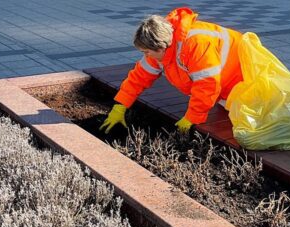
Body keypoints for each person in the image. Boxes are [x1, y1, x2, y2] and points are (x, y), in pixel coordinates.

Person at [100, 8, 244, 135]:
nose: (146, 55)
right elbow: (139, 77)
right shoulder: (160, 48)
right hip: (227, 85)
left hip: (245, 81)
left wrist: (191, 117)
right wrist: (120, 106)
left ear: (160, 48)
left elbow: (207, 85)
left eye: (146, 52)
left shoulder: (197, 44)